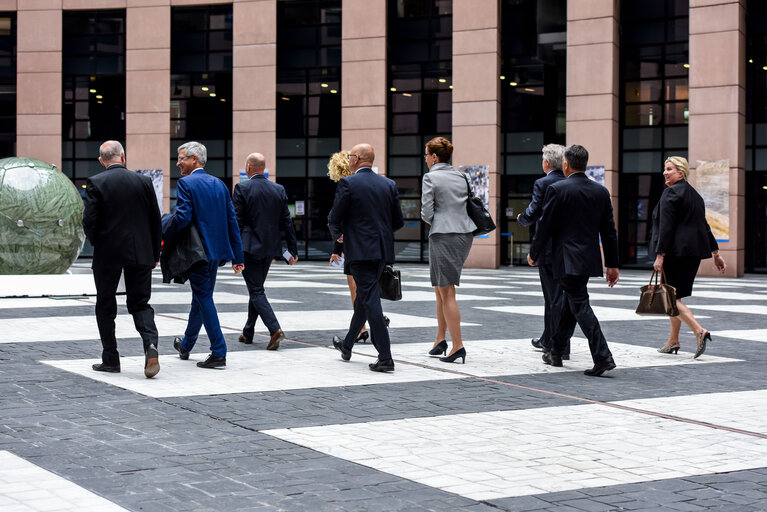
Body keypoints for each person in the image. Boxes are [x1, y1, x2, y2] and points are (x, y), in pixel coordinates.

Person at [528, 144, 619, 377]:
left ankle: (603, 356)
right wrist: (613, 264)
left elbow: (545, 226)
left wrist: (534, 252)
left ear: (566, 164)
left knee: (579, 304)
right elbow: (609, 232)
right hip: (587, 260)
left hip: (565, 260)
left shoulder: (558, 190)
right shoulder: (601, 192)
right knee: (571, 304)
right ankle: (556, 351)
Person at [83, 140, 162, 378]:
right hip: (140, 252)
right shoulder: (144, 182)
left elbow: (89, 222)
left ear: (101, 160)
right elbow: (155, 220)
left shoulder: (96, 183)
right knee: (140, 303)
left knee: (105, 304)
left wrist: (100, 242)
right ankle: (150, 345)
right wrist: (154, 254)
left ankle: (111, 359)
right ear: (123, 156)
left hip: (108, 253)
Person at [167, 141, 245, 369]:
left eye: (181, 158)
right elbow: (232, 221)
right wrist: (237, 256)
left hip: (197, 253)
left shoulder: (185, 183)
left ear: (194, 159)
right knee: (200, 298)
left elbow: (182, 218)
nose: (178, 162)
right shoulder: (219, 184)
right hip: (215, 254)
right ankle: (186, 345)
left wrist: (164, 228)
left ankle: (219, 351)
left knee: (204, 298)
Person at [328, 143, 404, 372]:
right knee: (364, 299)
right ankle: (347, 345)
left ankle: (385, 357)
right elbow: (398, 221)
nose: (349, 158)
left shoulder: (347, 183)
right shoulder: (388, 184)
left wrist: (340, 236)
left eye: (351, 155)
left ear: (357, 158)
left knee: (371, 302)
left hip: (360, 252)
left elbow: (334, 218)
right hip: (382, 252)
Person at [651, 156, 727, 358]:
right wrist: (716, 253)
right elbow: (705, 226)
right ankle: (673, 340)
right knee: (676, 296)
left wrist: (660, 255)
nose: (665, 172)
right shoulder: (695, 196)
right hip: (692, 255)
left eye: (669, 169)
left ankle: (699, 331)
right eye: (665, 169)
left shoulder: (671, 193)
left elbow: (666, 228)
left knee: (669, 296)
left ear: (681, 172)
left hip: (675, 254)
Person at [232, 152, 298, 351]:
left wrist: (234, 252)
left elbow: (237, 222)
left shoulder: (242, 188)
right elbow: (287, 221)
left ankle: (275, 330)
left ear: (249, 168)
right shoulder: (278, 189)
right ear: (264, 168)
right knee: (257, 288)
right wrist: (292, 250)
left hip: (249, 248)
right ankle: (248, 332)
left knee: (256, 290)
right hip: (270, 249)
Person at [420, 137, 476, 364]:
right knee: (440, 288)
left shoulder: (430, 177)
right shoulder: (462, 176)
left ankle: (457, 346)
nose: (425, 159)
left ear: (434, 157)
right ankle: (440, 339)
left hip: (443, 234)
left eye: (426, 155)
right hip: (464, 234)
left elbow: (426, 212)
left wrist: (438, 222)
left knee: (447, 291)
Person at [327, 150, 390, 343]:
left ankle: (370, 324)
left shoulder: (348, 186)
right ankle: (357, 333)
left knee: (358, 289)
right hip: (375, 246)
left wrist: (337, 247)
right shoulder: (377, 184)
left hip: (355, 247)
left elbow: (338, 220)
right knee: (362, 289)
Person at [517, 144, 568, 358]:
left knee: (553, 297)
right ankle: (548, 338)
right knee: (557, 296)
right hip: (567, 249)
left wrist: (521, 218)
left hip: (548, 249)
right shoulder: (569, 182)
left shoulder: (543, 183)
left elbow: (535, 211)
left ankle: (558, 346)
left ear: (547, 162)